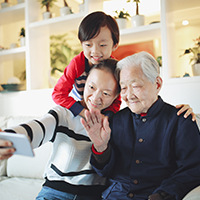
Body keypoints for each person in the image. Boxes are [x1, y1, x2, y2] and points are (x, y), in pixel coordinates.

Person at [81, 52, 200, 200]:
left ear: (157, 84)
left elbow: (193, 169)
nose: (129, 95)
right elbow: (104, 172)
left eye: (136, 86)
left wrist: (162, 194)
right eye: (123, 88)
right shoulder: (114, 121)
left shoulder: (181, 120)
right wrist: (101, 147)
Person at [0, 58, 120, 200]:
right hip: (55, 192)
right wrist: (8, 137)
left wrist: (101, 146)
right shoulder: (63, 113)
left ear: (116, 96)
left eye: (106, 93)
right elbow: (38, 127)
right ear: (85, 83)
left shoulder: (115, 124)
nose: (95, 97)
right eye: (92, 87)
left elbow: (110, 170)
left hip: (92, 195)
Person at [52, 11, 121, 119]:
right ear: (81, 44)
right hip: (77, 111)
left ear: (115, 45)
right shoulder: (77, 64)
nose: (95, 51)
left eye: (102, 45)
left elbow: (117, 100)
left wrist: (106, 117)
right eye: (88, 45)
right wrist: (84, 113)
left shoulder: (116, 70)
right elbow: (58, 94)